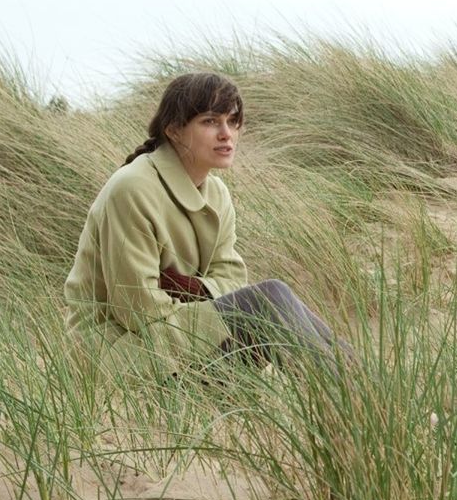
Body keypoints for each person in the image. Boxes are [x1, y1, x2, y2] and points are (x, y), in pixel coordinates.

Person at [64, 72, 348, 380]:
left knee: (274, 304)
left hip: (175, 333)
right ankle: (350, 399)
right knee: (268, 300)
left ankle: (360, 393)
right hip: (118, 350)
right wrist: (206, 300)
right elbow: (138, 311)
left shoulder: (217, 194)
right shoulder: (133, 188)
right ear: (174, 130)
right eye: (210, 121)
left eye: (233, 121)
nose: (227, 133)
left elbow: (233, 276)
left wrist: (190, 288)